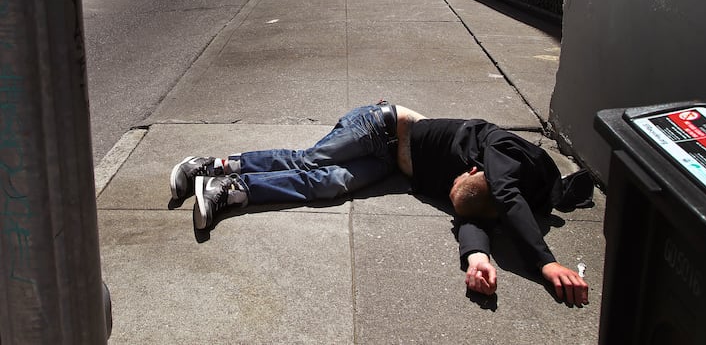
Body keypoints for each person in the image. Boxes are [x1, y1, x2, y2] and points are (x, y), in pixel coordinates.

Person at [170, 103, 594, 305]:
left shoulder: (500, 190)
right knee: (312, 159)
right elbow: (500, 197)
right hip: (382, 127)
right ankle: (213, 164)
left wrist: (477, 258)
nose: (461, 173)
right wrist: (545, 263)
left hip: (390, 165)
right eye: (467, 174)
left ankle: (229, 190)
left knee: (328, 186)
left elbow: (477, 214)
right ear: (482, 170)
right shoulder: (505, 150)